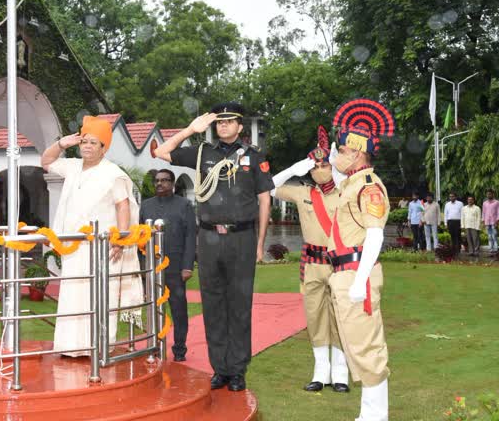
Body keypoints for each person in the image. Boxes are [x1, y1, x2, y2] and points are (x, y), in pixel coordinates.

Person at [153, 102, 274, 393]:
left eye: (229, 121)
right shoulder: (202, 153)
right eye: (219, 122)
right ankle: (220, 368)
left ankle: (238, 370)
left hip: (241, 238)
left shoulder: (254, 157)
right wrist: (190, 130)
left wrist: (260, 243)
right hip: (208, 239)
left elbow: (265, 200)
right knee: (213, 305)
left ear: (240, 126)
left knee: (240, 305)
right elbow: (160, 151)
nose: (223, 126)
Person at [42, 116, 143, 356]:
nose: (87, 146)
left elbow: (123, 206)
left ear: (103, 148)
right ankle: (70, 348)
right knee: (72, 295)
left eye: (93, 143)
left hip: (101, 247)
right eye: (84, 141)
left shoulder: (113, 173)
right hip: (74, 248)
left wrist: (119, 239)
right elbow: (46, 161)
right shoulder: (73, 166)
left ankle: (98, 347)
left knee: (99, 296)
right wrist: (62, 144)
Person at [326, 98, 394, 421]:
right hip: (345, 272)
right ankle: (368, 415)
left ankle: (375, 417)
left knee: (367, 349)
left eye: (341, 151)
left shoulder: (368, 186)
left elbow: (375, 235)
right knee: (356, 347)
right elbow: (335, 172)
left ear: (356, 152)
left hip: (357, 273)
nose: (336, 156)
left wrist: (359, 280)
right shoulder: (351, 182)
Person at [271, 126, 350, 393]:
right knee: (315, 317)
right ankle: (320, 373)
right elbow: (269, 187)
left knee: (340, 317)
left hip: (340, 263)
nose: (318, 170)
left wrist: (338, 168)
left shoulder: (347, 191)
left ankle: (341, 374)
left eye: (323, 165)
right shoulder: (303, 192)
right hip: (313, 265)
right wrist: (296, 168)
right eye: (314, 166)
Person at [139, 169, 196, 362]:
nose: (159, 184)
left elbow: (190, 237)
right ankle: (153, 346)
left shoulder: (185, 205)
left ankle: (179, 349)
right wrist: (142, 268)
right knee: (153, 309)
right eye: (157, 180)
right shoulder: (146, 206)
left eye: (164, 180)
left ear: (172, 183)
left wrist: (187, 266)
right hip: (152, 267)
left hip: (176, 266)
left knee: (178, 309)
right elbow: (140, 238)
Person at [482, 190, 499, 255]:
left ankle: (496, 249)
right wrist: (483, 221)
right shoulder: (484, 203)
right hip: (487, 222)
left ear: (493, 194)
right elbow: (483, 212)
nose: (488, 195)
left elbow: (498, 212)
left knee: (494, 236)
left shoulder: (497, 202)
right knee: (489, 236)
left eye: (490, 194)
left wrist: (497, 221)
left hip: (494, 222)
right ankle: (490, 249)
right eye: (487, 194)